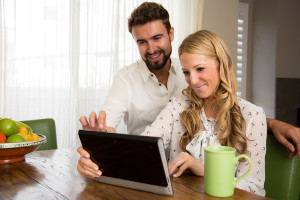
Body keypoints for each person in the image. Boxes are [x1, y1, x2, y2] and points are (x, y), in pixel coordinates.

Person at [79, 2, 300, 159]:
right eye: (142, 42)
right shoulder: (129, 80)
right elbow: (113, 129)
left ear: (171, 34)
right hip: (145, 163)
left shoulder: (187, 66)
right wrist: (103, 144)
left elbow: (229, 108)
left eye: (157, 38)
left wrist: (268, 123)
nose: (151, 49)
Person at [80, 30, 267, 196]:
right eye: (186, 72)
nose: (192, 80)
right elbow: (141, 152)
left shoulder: (252, 116)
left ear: (222, 64)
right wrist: (99, 155)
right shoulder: (177, 108)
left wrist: (203, 169)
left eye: (200, 69)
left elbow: (253, 187)